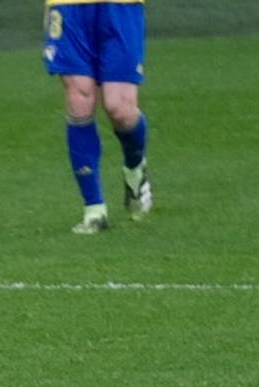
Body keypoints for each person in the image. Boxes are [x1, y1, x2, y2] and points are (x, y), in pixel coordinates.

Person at [42, 0, 152, 234]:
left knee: (120, 109)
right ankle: (94, 209)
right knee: (80, 99)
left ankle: (135, 167)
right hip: (68, 6)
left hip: (121, 6)